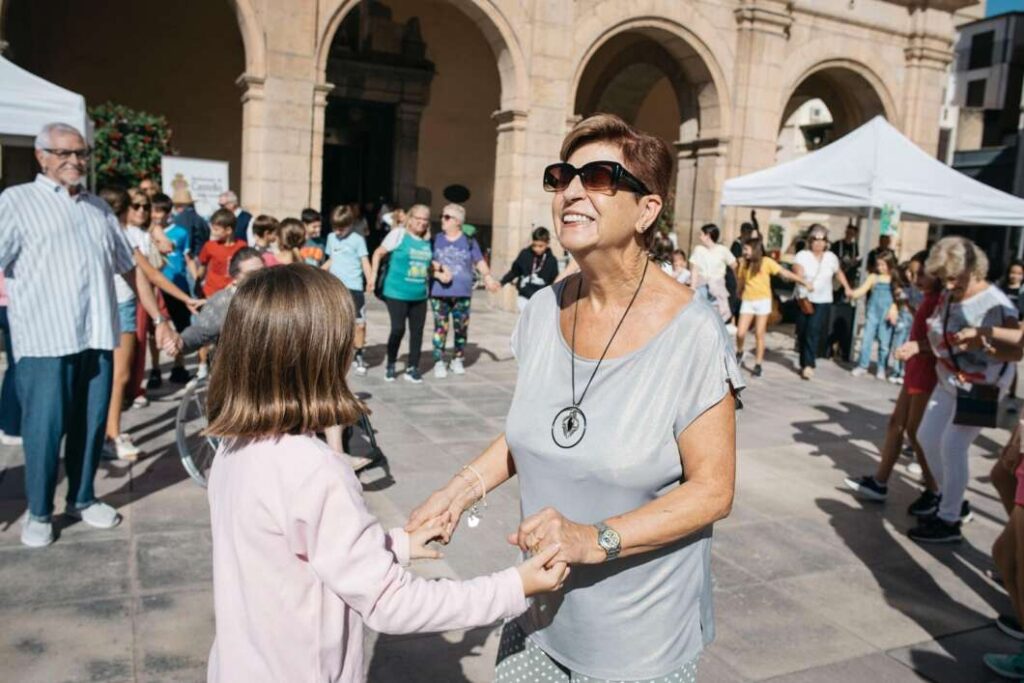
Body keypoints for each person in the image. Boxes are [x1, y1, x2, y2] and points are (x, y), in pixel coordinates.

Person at [407, 114, 742, 682]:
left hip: (638, 644)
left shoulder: (693, 333)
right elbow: (529, 432)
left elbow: (713, 491)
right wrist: (457, 491)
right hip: (538, 613)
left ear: (647, 211)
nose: (572, 191)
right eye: (563, 176)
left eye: (600, 176)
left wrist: (592, 539)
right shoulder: (542, 310)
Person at [203, 264, 568, 683]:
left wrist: (397, 545)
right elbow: (391, 601)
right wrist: (513, 586)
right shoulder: (311, 469)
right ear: (317, 356)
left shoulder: (234, 448)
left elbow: (307, 555)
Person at [0, 122, 180, 547]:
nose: (74, 161)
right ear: (41, 155)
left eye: (80, 153)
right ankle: (39, 512)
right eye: (63, 153)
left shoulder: (99, 209)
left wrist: (159, 318)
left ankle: (82, 497)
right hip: (44, 338)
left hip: (98, 333)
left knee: (91, 421)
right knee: (44, 427)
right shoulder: (16, 201)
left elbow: (128, 267)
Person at [908, 237, 1022, 543]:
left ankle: (949, 520)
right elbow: (940, 333)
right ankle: (954, 501)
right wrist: (918, 346)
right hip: (948, 380)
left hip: (983, 386)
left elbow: (1016, 350)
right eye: (943, 278)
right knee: (927, 438)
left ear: (972, 270)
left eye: (952, 277)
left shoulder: (996, 303)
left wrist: (983, 342)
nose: (947, 284)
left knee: (953, 445)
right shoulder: (950, 294)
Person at [100, 187, 200, 460]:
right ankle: (110, 437)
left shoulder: (132, 233)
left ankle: (110, 432)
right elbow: (148, 275)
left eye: (146, 206)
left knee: (118, 377)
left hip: (125, 305)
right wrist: (182, 301)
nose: (142, 211)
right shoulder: (123, 234)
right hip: (119, 307)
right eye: (136, 206)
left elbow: (150, 273)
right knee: (118, 377)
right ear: (122, 209)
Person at [843, 263, 942, 508]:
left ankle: (937, 491)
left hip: (925, 371)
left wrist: (918, 347)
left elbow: (946, 341)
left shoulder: (940, 300)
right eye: (913, 273)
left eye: (921, 273)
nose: (915, 278)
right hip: (914, 369)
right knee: (896, 425)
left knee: (916, 433)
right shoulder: (928, 298)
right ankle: (881, 481)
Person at [370, 204, 439, 383]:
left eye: (425, 219)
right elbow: (378, 253)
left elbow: (427, 265)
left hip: (419, 294)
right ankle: (391, 363)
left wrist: (438, 272)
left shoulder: (427, 240)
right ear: (410, 218)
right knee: (398, 329)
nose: (422, 223)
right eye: (418, 219)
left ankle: (413, 367)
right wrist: (372, 276)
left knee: (417, 332)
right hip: (396, 292)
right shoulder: (398, 234)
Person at [429, 203, 499, 379]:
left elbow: (479, 261)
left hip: (462, 293)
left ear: (458, 221)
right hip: (439, 293)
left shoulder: (468, 241)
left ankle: (457, 358)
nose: (442, 220)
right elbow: (427, 261)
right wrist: (437, 274)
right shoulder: (435, 239)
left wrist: (488, 277)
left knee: (461, 328)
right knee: (440, 328)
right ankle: (439, 360)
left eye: (447, 217)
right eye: (442, 216)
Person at [735, 238, 808, 377]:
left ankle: (758, 364)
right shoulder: (744, 263)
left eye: (746, 249)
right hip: (748, 300)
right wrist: (738, 292)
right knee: (740, 333)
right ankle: (739, 351)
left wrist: (803, 281)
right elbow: (741, 281)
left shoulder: (766, 262)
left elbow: (784, 273)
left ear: (754, 249)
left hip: (763, 301)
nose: (744, 251)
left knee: (759, 333)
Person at [791, 224, 852, 380]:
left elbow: (838, 273)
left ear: (826, 242)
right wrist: (803, 280)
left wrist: (846, 287)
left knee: (813, 330)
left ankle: (809, 365)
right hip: (804, 298)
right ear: (810, 241)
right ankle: (804, 361)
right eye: (815, 240)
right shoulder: (802, 255)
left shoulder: (831, 257)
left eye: (822, 240)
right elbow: (797, 269)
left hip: (823, 299)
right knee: (803, 331)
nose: (818, 243)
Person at [323, 205, 372, 374]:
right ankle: (339, 353)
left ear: (351, 224)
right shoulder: (331, 238)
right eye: (335, 227)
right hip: (336, 286)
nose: (337, 232)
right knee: (337, 322)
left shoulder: (358, 240)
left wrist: (370, 279)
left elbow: (364, 261)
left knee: (359, 323)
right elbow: (332, 259)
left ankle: (359, 352)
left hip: (354, 286)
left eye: (341, 228)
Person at [847, 250, 900, 380]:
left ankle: (882, 367)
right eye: (878, 264)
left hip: (886, 314)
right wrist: (852, 293)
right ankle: (863, 365)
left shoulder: (894, 279)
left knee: (884, 343)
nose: (880, 267)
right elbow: (862, 289)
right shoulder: (873, 277)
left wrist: (894, 309)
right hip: (872, 312)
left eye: (883, 264)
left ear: (890, 264)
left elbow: (898, 298)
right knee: (866, 339)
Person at [498, 226, 559, 311]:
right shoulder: (525, 254)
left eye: (541, 246)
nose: (537, 249)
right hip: (524, 296)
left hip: (541, 299)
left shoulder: (552, 261)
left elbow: (553, 281)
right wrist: (502, 282)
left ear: (547, 243)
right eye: (534, 245)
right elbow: (515, 271)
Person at [689, 223, 736, 321]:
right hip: (702, 285)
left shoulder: (723, 250)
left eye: (701, 234)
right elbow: (695, 269)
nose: (700, 237)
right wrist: (692, 287)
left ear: (708, 235)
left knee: (716, 314)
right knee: (701, 314)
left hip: (717, 287)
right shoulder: (699, 249)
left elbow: (734, 264)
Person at [0, 270, 21, 446]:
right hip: (11, 301)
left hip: (6, 301)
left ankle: (7, 423)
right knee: (17, 366)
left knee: (13, 366)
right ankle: (11, 426)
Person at [887, 261, 916, 384]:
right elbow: (898, 299)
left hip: (913, 320)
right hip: (903, 318)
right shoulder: (903, 288)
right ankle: (896, 371)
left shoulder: (918, 289)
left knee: (908, 345)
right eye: (908, 272)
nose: (909, 274)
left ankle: (904, 372)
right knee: (898, 344)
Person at [171, 187, 210, 258]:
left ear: (177, 205)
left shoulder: (183, 217)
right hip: (200, 256)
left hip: (191, 258)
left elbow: (186, 240)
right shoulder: (199, 218)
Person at [831, 223, 861, 297]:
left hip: (850, 276)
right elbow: (831, 258)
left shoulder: (854, 246)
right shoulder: (837, 244)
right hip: (837, 276)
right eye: (848, 232)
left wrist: (853, 262)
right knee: (835, 295)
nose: (849, 235)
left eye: (852, 233)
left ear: (854, 235)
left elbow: (855, 258)